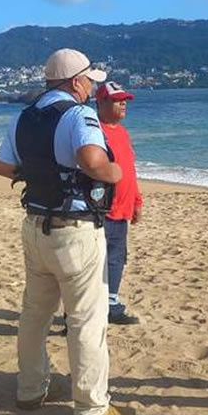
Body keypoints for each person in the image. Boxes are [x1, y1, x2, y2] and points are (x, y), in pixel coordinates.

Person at [0, 48, 129, 415]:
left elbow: (3, 167)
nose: (91, 88)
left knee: (35, 314)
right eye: (89, 81)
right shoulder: (78, 113)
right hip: (74, 229)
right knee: (87, 319)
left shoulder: (24, 117)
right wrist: (114, 171)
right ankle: (91, 410)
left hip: (35, 225)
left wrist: (42, 170)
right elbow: (91, 160)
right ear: (75, 82)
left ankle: (31, 388)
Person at [95, 81, 143, 325]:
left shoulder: (122, 133)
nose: (123, 103)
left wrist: (136, 201)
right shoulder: (94, 131)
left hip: (122, 211)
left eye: (124, 99)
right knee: (93, 265)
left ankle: (111, 306)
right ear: (101, 102)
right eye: (117, 100)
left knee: (116, 260)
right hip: (100, 212)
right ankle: (79, 313)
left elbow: (129, 169)